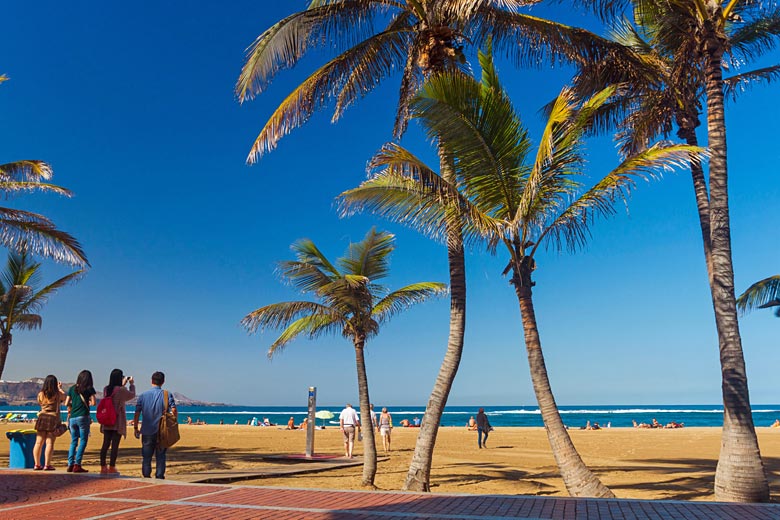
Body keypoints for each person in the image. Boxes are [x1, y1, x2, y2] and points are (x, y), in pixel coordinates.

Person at [133, 371, 176, 479]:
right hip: (162, 430)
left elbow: (137, 412)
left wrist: (135, 427)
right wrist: (173, 423)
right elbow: (174, 410)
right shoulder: (167, 394)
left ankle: (147, 476)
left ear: (151, 381)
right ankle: (159, 476)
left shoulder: (143, 395)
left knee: (146, 457)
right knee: (161, 456)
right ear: (163, 382)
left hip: (147, 430)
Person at [99, 369, 135, 475]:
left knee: (105, 444)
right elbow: (131, 395)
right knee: (115, 445)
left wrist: (122, 385)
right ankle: (112, 467)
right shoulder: (121, 390)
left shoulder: (106, 389)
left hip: (107, 419)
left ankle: (103, 466)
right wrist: (131, 384)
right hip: (117, 420)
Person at [64, 370, 97, 473]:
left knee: (73, 441)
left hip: (72, 418)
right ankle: (77, 464)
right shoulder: (89, 389)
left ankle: (70, 464)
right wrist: (87, 403)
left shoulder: (72, 388)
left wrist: (73, 405)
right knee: (83, 440)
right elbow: (94, 402)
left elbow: (66, 403)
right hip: (83, 416)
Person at [33, 374, 67, 470]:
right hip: (53, 418)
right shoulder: (57, 394)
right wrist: (59, 388)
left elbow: (40, 402)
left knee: (38, 443)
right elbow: (64, 397)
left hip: (42, 417)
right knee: (49, 443)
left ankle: (37, 464)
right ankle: (47, 464)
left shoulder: (41, 394)